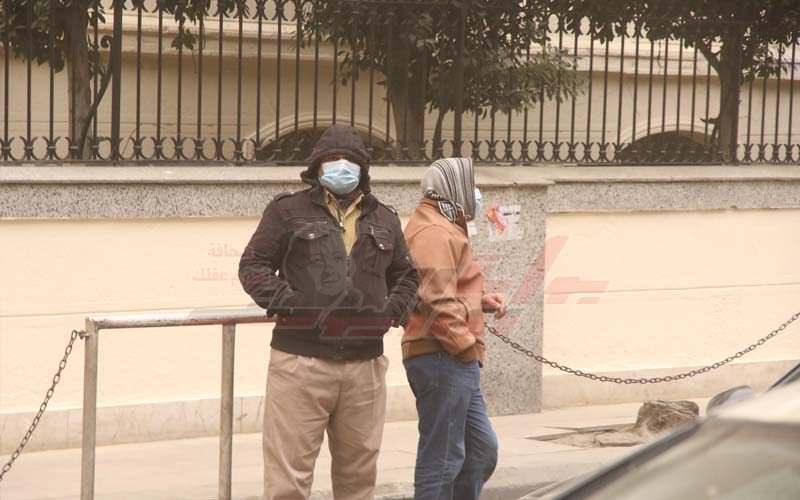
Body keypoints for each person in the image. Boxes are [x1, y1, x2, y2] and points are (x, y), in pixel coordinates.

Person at [238, 124, 420, 500]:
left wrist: (390, 313)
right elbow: (253, 266)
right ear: (316, 166)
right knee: (288, 482)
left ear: (362, 169)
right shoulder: (287, 211)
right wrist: (292, 304)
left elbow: (407, 276)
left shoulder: (385, 218)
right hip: (299, 364)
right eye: (332, 159)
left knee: (359, 481)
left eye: (350, 159)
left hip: (365, 368)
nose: (341, 166)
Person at [402, 157, 507, 500]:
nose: (475, 192)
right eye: (470, 183)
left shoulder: (443, 225)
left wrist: (479, 301)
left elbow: (444, 292)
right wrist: (464, 347)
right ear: (451, 187)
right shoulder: (434, 231)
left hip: (452, 356)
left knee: (480, 453)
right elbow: (437, 301)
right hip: (443, 356)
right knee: (442, 461)